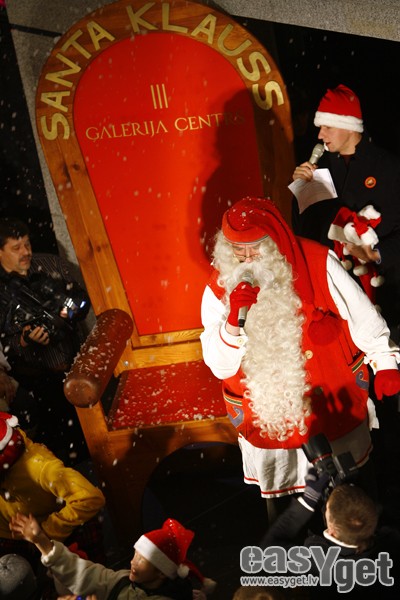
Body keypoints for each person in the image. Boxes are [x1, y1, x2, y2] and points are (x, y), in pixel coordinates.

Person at [200, 196, 400, 522]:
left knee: (354, 498)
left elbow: (362, 315)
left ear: (274, 241)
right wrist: (233, 322)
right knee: (289, 511)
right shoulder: (219, 286)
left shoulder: (317, 260)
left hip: (331, 398)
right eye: (238, 250)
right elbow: (220, 365)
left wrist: (385, 362)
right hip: (270, 416)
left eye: (255, 248)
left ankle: (364, 541)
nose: (246, 259)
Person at [291, 83, 400, 341]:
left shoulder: (388, 167)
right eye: (320, 127)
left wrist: (376, 254)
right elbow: (305, 232)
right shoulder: (319, 170)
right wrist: (298, 190)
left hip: (387, 299)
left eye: (327, 126)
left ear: (348, 126)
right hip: (337, 298)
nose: (320, 134)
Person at [0, 218, 91, 465]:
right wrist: (24, 340)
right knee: (57, 455)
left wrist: (63, 316)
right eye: (16, 248)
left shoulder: (50, 264)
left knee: (93, 442)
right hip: (38, 383)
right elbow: (6, 347)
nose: (25, 252)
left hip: (78, 367)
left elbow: (82, 299)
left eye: (27, 244)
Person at [0, 411, 106, 593]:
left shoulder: (40, 467)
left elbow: (90, 498)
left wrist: (47, 531)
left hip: (50, 536)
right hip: (9, 535)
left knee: (82, 588)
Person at [258, 468, 400, 599]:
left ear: (332, 529)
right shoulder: (390, 544)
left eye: (327, 509)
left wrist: (308, 501)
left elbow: (269, 548)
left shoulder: (314, 560)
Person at [9, 513, 216, 600]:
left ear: (161, 572)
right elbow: (87, 574)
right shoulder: (126, 582)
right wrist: (41, 541)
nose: (133, 562)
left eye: (142, 559)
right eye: (135, 555)